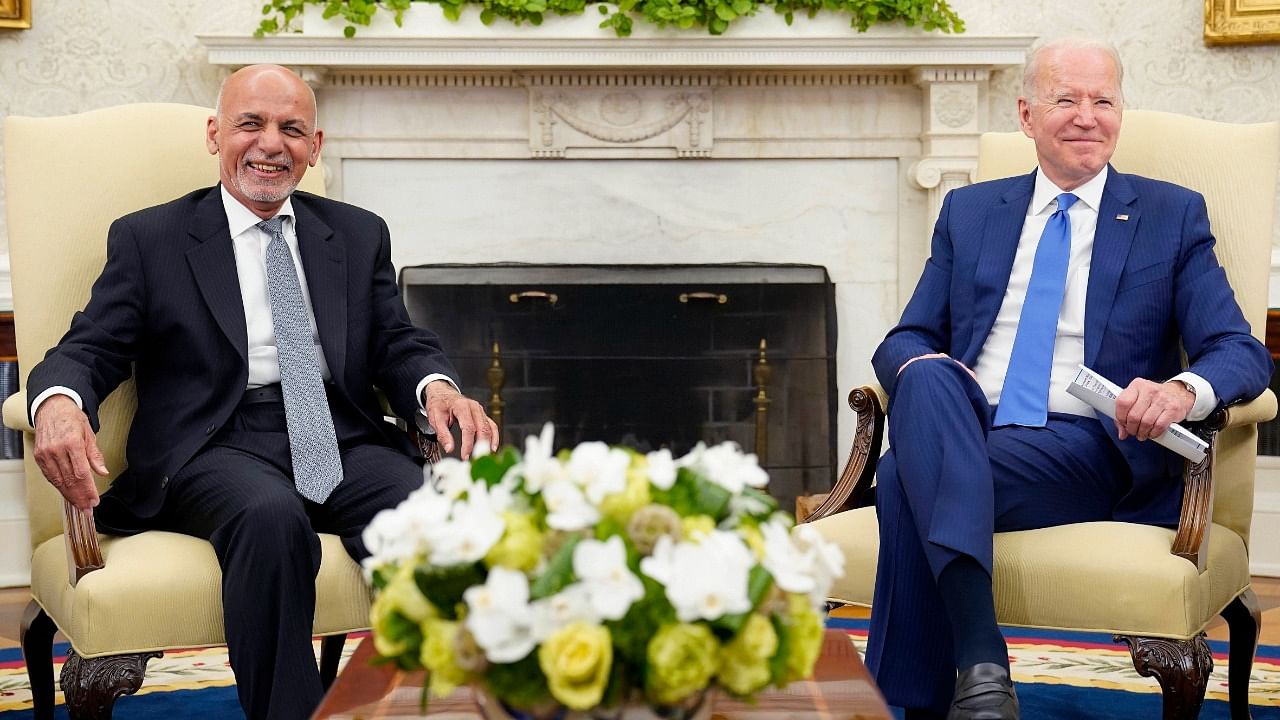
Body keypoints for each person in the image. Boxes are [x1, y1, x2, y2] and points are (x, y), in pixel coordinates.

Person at [27, 64, 498, 719]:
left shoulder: (358, 235)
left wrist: (436, 386)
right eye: (252, 123)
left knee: (439, 512)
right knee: (270, 519)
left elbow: (396, 342)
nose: (272, 143)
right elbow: (91, 347)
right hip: (215, 444)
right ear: (215, 134)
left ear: (315, 146)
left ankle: (465, 702)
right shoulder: (152, 239)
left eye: (291, 129)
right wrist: (56, 404)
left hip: (335, 431)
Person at [854, 38, 1273, 719]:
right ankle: (981, 672)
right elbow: (907, 336)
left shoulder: (1171, 216)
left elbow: (1239, 348)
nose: (1088, 116)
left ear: (1120, 113)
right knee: (925, 376)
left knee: (903, 476)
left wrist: (1181, 391)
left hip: (1092, 444)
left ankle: (948, 683)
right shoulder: (970, 211)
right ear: (1026, 115)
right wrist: (925, 369)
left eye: (1103, 100)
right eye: (1067, 99)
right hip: (975, 424)